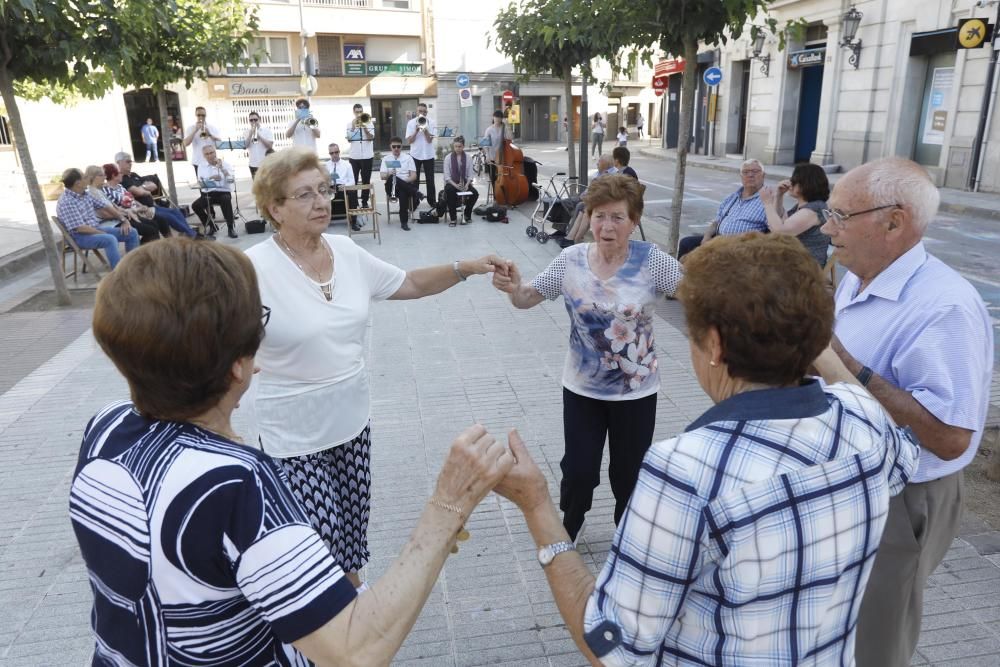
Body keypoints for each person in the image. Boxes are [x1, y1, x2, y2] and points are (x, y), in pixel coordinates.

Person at [71, 237, 515, 666]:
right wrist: (448, 506)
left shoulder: (107, 426)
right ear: (241, 366)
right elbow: (355, 650)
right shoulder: (238, 486)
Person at [495, 232, 922, 666]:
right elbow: (905, 460)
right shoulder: (862, 420)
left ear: (714, 345)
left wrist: (537, 507)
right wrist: (817, 344)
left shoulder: (686, 470)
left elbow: (613, 648)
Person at [247, 147, 510, 586]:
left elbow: (407, 282)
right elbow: (223, 335)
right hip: (292, 435)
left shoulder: (346, 251)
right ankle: (323, 634)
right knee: (319, 539)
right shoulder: (253, 266)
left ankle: (354, 618)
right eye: (305, 194)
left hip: (351, 423)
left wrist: (467, 267)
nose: (320, 201)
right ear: (275, 207)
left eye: (324, 190)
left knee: (350, 539)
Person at [811, 157, 994, 667]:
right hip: (855, 480)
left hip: (904, 497)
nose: (828, 226)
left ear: (894, 222)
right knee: (837, 624)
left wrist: (851, 367)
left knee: (876, 640)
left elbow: (952, 439)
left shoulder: (944, 308)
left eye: (841, 215)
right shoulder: (859, 272)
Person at [492, 175, 682, 542]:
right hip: (582, 389)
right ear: (589, 216)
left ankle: (627, 534)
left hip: (636, 392)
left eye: (618, 217)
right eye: (599, 216)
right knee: (579, 469)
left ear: (634, 221)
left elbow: (698, 295)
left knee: (629, 473)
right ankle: (571, 522)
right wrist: (513, 287)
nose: (607, 226)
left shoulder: (652, 262)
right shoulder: (571, 260)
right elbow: (527, 298)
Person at [677, 158, 768, 259]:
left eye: (755, 171)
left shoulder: (768, 201)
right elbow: (716, 222)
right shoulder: (732, 198)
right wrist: (706, 238)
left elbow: (774, 232)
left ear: (763, 175)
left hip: (741, 248)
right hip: (718, 240)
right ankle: (677, 273)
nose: (750, 175)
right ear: (741, 176)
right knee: (686, 244)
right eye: (746, 172)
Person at [55, 167, 138, 268]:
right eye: (85, 177)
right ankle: (118, 274)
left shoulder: (84, 194)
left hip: (94, 229)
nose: (88, 178)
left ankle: (133, 267)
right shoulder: (67, 202)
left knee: (132, 232)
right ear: (78, 183)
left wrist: (123, 220)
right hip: (79, 237)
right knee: (110, 239)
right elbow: (80, 228)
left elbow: (106, 206)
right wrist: (102, 233)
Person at [758, 162, 830, 266]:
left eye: (794, 181)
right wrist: (779, 196)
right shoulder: (802, 206)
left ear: (806, 184)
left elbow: (780, 232)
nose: (789, 183)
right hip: (792, 260)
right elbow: (778, 222)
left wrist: (767, 203)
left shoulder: (814, 209)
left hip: (805, 267)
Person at [111, 156, 199, 239]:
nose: (130, 163)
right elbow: (138, 192)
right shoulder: (123, 179)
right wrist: (144, 189)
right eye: (127, 161)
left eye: (131, 161)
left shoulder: (133, 175)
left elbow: (153, 186)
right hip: (143, 209)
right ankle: (192, 235)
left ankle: (189, 233)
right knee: (168, 217)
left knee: (175, 212)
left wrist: (142, 188)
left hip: (152, 206)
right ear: (119, 162)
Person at [558, 154, 619, 248]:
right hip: (595, 200)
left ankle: (574, 239)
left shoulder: (612, 174)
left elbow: (606, 193)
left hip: (606, 203)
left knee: (585, 209)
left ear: (604, 164)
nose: (597, 164)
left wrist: (588, 198)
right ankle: (571, 238)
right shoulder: (601, 173)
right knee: (582, 207)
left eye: (599, 162)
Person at [101, 163, 163, 244]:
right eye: (120, 173)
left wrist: (142, 206)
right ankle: (142, 253)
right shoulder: (106, 191)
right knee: (151, 229)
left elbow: (132, 200)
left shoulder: (120, 186)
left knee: (155, 224)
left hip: (133, 213)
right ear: (113, 175)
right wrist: (138, 210)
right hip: (125, 217)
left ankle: (145, 251)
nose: (122, 175)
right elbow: (117, 208)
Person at [193, 144, 237, 239]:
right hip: (209, 192)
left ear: (215, 153)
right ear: (204, 156)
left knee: (225, 199)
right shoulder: (201, 166)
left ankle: (230, 228)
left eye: (212, 153)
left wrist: (222, 169)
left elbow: (231, 181)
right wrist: (211, 179)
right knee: (195, 205)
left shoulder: (225, 164)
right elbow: (201, 183)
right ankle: (211, 226)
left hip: (223, 191)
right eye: (207, 154)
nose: (210, 156)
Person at [379, 136, 421, 231]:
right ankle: (415, 192)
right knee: (392, 178)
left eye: (398, 146)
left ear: (401, 147)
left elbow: (414, 176)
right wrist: (389, 173)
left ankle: (404, 222)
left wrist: (402, 182)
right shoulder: (386, 159)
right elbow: (382, 176)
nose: (396, 149)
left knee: (403, 192)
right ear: (390, 147)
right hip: (391, 186)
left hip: (404, 187)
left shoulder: (408, 158)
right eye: (394, 146)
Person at [442, 135, 479, 226]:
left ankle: (466, 214)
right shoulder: (448, 158)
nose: (457, 148)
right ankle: (453, 219)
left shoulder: (468, 158)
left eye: (460, 146)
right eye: (456, 146)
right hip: (452, 183)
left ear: (463, 146)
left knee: (475, 194)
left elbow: (470, 175)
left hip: (464, 182)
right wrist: (456, 185)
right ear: (453, 146)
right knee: (450, 192)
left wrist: (466, 185)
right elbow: (447, 176)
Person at [405, 101, 436, 206]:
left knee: (430, 180)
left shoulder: (431, 122)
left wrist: (426, 129)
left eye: (424, 111)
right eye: (420, 111)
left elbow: (429, 140)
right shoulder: (411, 123)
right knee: (415, 180)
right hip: (415, 155)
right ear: (417, 112)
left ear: (427, 112)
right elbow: (409, 141)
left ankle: (432, 202)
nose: (422, 113)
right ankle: (414, 201)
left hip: (428, 155)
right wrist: (417, 130)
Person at [346, 103, 375, 209]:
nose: (359, 114)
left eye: (360, 111)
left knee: (366, 180)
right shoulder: (350, 124)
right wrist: (354, 127)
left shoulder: (369, 123)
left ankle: (364, 201)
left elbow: (371, 138)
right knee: (353, 180)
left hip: (367, 156)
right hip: (354, 156)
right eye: (357, 112)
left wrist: (365, 127)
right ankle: (354, 202)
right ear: (354, 112)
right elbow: (349, 139)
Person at [326, 142, 360, 231]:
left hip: (342, 187)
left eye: (336, 152)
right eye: (331, 153)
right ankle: (324, 221)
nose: (334, 155)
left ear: (339, 152)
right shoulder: (326, 165)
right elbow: (323, 181)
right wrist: (328, 187)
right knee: (320, 195)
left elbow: (352, 181)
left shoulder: (347, 164)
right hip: (331, 188)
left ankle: (354, 222)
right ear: (329, 154)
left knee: (352, 193)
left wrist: (344, 186)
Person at [184, 106, 221, 179]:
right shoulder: (190, 128)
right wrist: (195, 130)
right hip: (198, 161)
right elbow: (185, 144)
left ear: (206, 115)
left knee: (215, 184)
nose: (201, 117)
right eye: (198, 115)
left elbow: (220, 143)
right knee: (202, 186)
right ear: (195, 115)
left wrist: (210, 134)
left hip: (212, 161)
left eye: (203, 115)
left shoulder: (212, 127)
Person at [483, 110, 511, 186]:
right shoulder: (489, 129)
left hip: (503, 158)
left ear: (502, 118)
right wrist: (487, 156)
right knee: (494, 179)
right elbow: (485, 144)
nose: (497, 119)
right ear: (493, 118)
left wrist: (507, 126)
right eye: (496, 117)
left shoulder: (504, 128)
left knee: (504, 179)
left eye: (499, 117)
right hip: (492, 157)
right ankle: (496, 195)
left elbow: (509, 139)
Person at [245, 110, 274, 180]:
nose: (253, 121)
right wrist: (250, 134)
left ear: (259, 119)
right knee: (257, 188)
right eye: (251, 120)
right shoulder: (246, 132)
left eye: (255, 119)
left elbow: (270, 146)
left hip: (265, 163)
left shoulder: (266, 130)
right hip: (253, 164)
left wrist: (259, 136)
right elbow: (245, 146)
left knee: (268, 185)